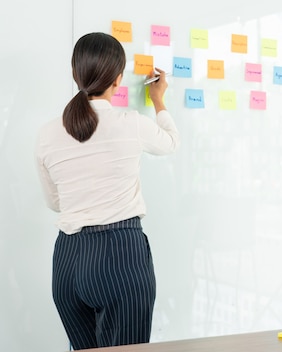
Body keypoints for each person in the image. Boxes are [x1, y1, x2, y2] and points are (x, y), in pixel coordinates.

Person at [35, 32, 179, 349]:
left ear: (76, 75)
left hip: (67, 263)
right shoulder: (131, 123)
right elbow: (171, 142)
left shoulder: (47, 133)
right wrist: (158, 100)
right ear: (118, 79)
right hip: (120, 255)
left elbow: (55, 202)